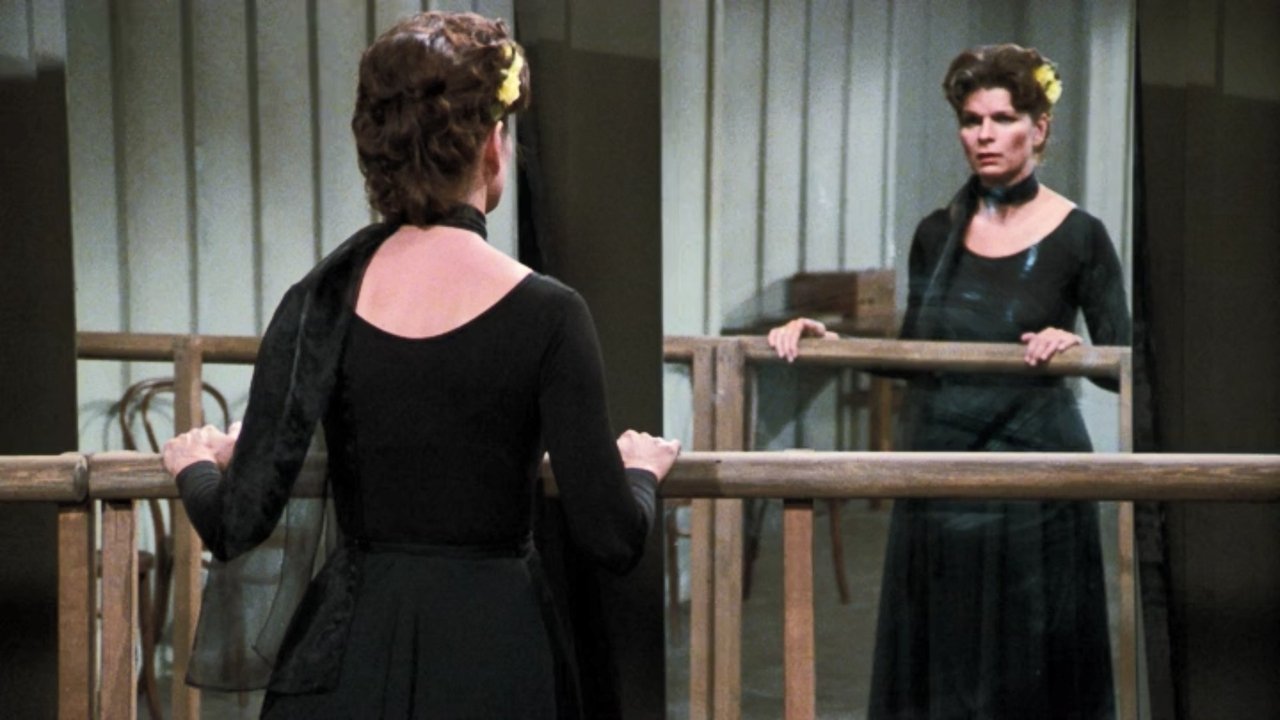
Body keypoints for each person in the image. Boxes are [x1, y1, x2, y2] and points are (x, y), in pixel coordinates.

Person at [161, 12, 679, 719]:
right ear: (492, 145)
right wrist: (641, 472)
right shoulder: (552, 314)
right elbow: (611, 536)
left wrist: (193, 463)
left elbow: (234, 522)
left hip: (349, 656)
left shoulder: (320, 300)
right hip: (496, 654)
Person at [768, 44, 1130, 718]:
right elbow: (919, 354)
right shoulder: (937, 233)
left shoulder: (1081, 235)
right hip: (941, 473)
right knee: (946, 664)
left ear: (1039, 128)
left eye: (1002, 119)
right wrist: (832, 342)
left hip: (1037, 484)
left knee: (1030, 668)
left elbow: (1128, 361)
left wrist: (1078, 349)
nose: (984, 135)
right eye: (971, 120)